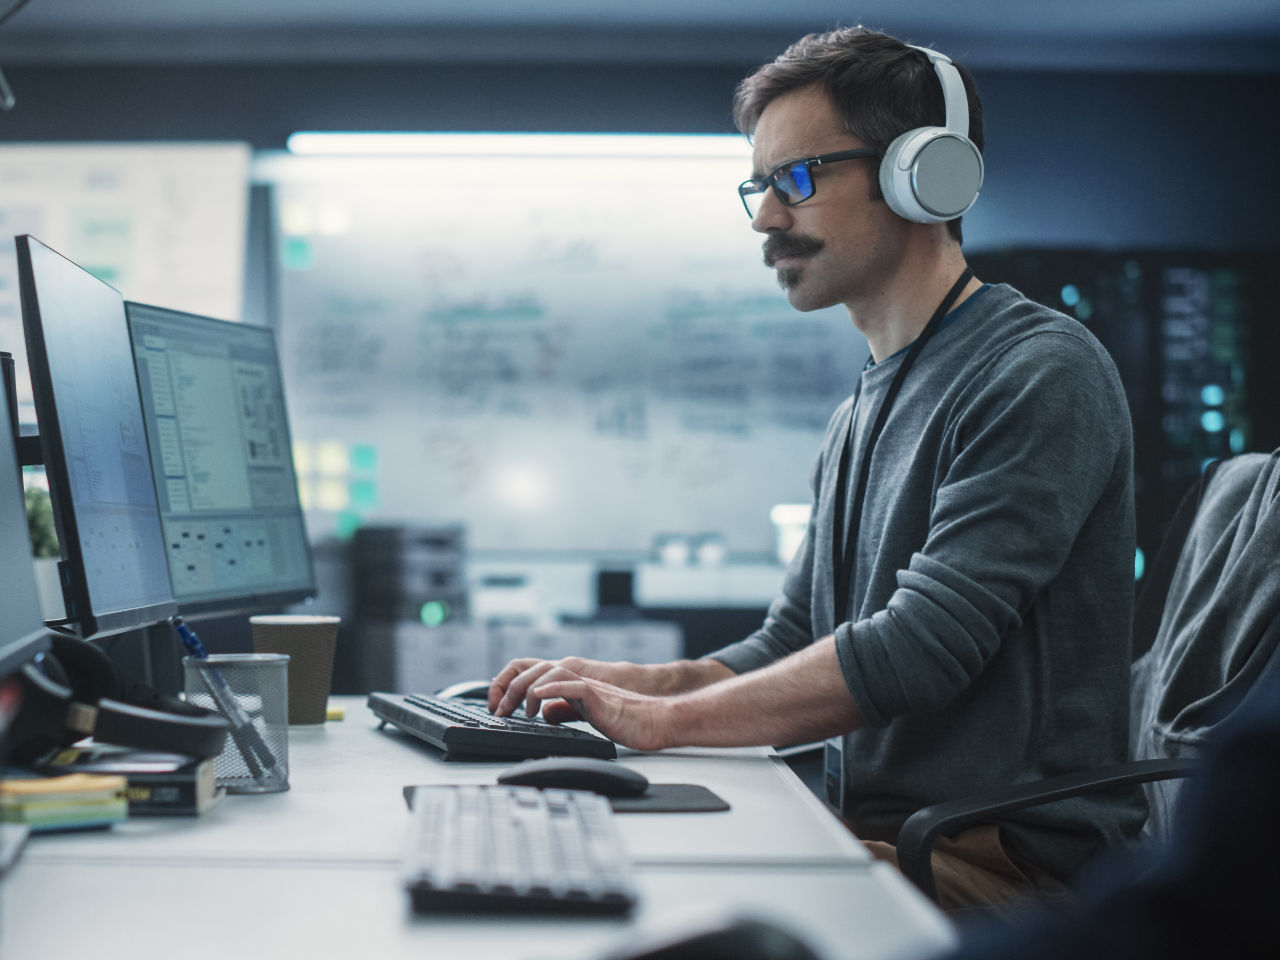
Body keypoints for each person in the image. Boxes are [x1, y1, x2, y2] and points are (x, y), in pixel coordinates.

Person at [489, 26, 1145, 911]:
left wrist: (664, 724)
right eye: (758, 186)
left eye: (798, 179)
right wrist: (625, 685)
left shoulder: (1038, 372)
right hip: (880, 830)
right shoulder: (861, 410)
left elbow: (920, 651)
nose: (766, 217)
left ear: (925, 174)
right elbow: (789, 641)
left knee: (654, 914)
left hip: (1001, 860)